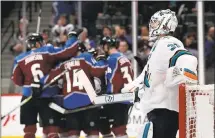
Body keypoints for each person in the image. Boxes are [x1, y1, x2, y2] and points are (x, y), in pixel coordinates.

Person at [122, 9, 198, 138]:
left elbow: (187, 58)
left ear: (166, 24)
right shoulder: (158, 46)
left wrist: (182, 73)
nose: (152, 26)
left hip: (165, 110)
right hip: (159, 110)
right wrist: (130, 88)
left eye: (156, 23)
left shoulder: (167, 42)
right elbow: (146, 74)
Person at [11, 29, 83, 138]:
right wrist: (72, 36)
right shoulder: (47, 50)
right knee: (52, 129)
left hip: (28, 96)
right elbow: (68, 51)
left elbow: (16, 80)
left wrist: (29, 82)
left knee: (29, 130)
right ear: (39, 42)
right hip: (47, 95)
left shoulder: (19, 58)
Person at [40, 42, 106, 138]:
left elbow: (50, 79)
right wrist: (102, 59)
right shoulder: (86, 57)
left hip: (69, 103)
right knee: (93, 132)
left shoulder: (63, 64)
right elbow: (98, 71)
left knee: (73, 134)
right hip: (87, 100)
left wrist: (37, 84)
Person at [99, 36, 134, 138]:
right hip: (126, 97)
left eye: (102, 47)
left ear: (106, 46)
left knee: (116, 130)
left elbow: (113, 79)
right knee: (112, 127)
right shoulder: (124, 58)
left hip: (117, 98)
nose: (102, 49)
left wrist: (108, 95)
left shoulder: (112, 59)